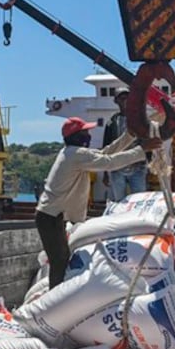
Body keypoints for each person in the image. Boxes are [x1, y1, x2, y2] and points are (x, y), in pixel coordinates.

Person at [36, 117, 163, 288]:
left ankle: (57, 294)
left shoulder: (72, 153)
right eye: (85, 132)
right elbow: (109, 163)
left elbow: (104, 154)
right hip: (50, 217)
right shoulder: (76, 154)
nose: (88, 135)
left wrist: (129, 137)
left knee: (62, 259)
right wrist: (142, 150)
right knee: (59, 261)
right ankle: (54, 298)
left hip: (52, 216)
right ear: (76, 136)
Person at [102, 87, 148, 200]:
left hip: (137, 168)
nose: (125, 100)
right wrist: (105, 172)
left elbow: (146, 142)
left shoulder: (140, 120)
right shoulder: (111, 123)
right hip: (117, 168)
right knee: (119, 201)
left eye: (127, 97)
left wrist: (148, 165)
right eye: (121, 98)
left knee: (139, 200)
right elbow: (106, 147)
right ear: (116, 101)